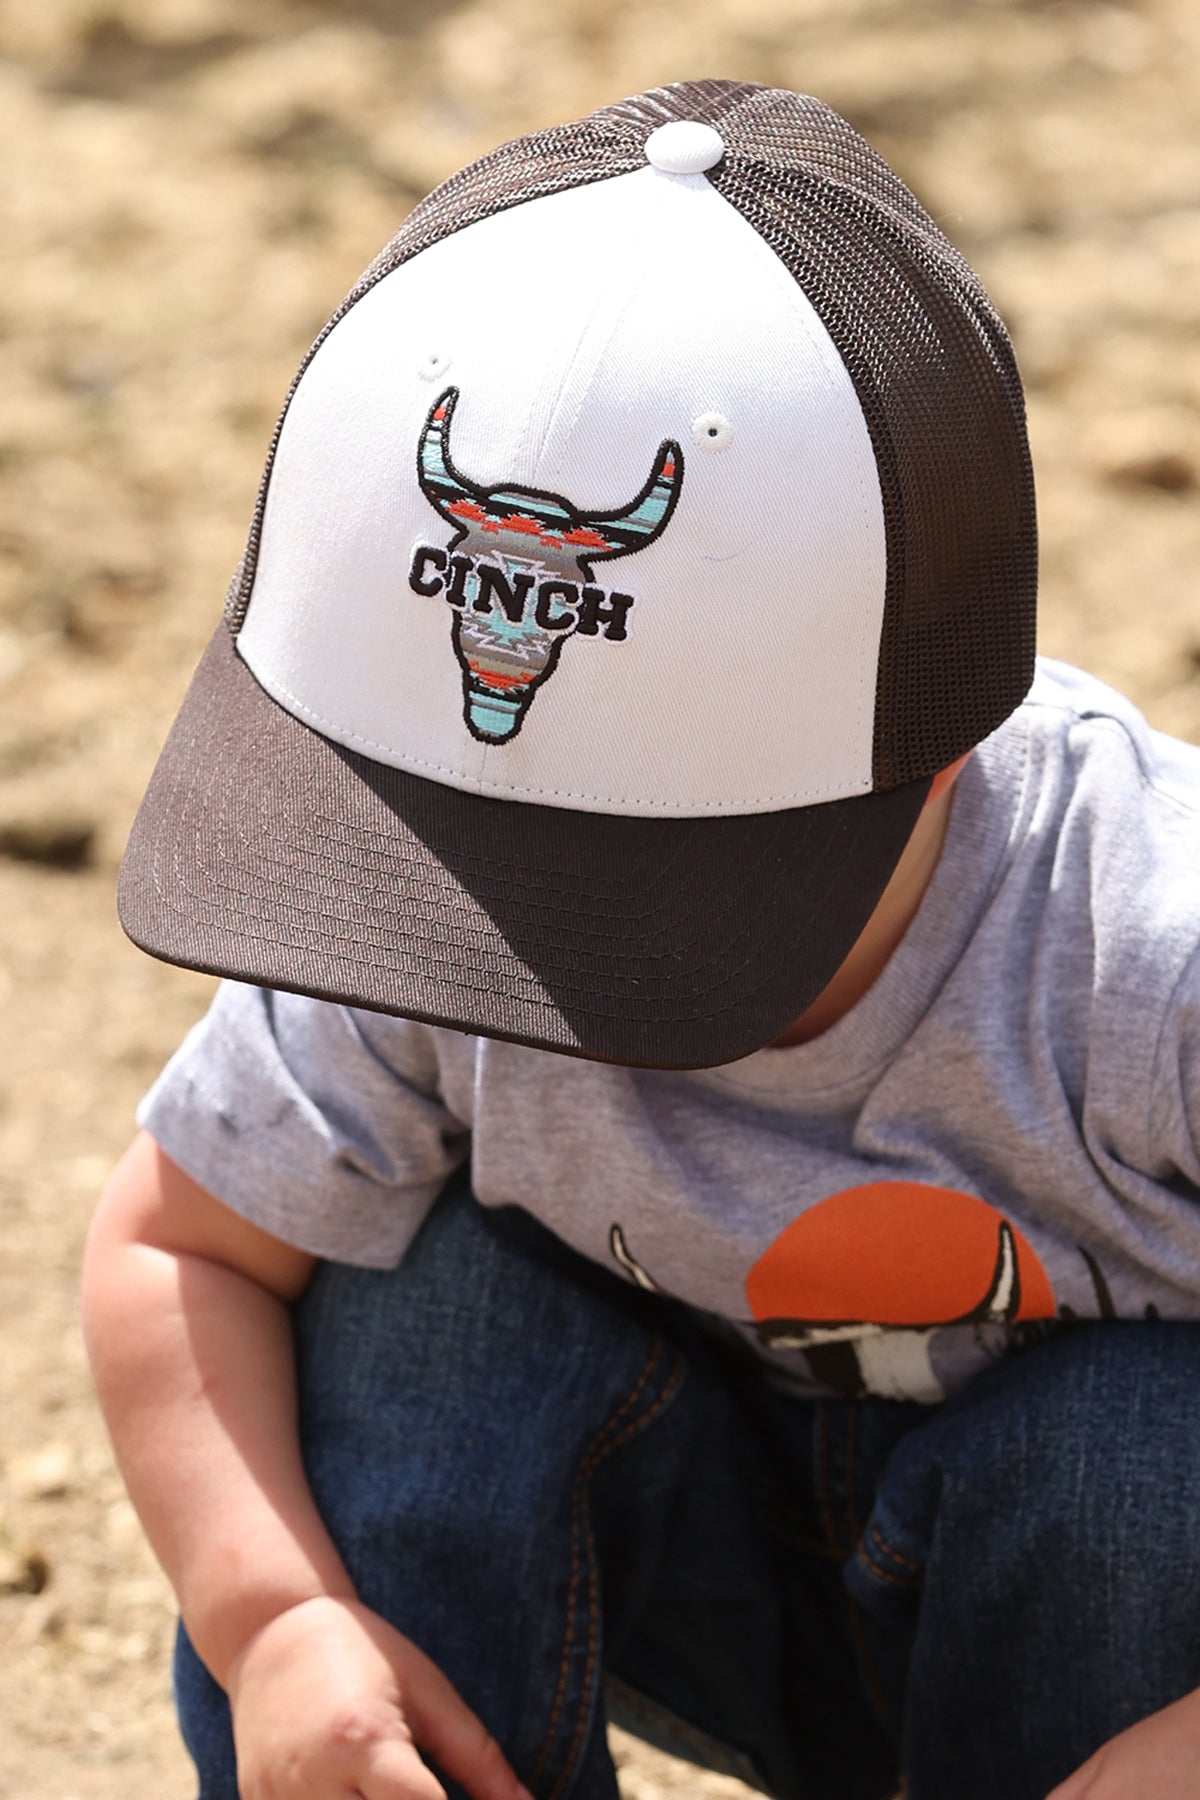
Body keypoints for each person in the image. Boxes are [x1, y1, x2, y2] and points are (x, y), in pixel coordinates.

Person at [81, 80, 1200, 1800]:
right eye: (468, 863)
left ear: (939, 750)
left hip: (1096, 1654)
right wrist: (274, 1621)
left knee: (1138, 1454)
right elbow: (183, 1246)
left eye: (641, 899)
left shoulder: (1151, 948)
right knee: (402, 1319)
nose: (532, 963)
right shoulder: (404, 912)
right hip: (683, 1546)